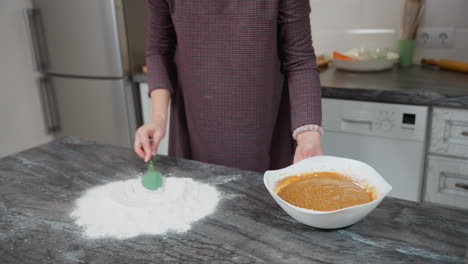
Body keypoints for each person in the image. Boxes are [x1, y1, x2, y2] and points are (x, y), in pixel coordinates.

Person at [134, 0, 323, 172]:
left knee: (260, 204)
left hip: (264, 129)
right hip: (193, 126)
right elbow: (158, 51)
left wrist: (308, 134)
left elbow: (300, 60)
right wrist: (158, 118)